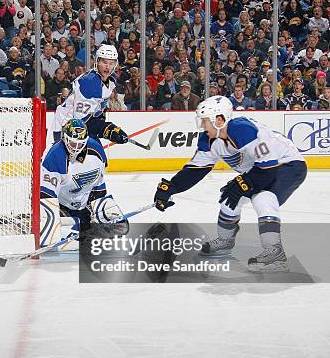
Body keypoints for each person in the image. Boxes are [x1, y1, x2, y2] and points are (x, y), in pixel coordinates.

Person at [153, 96, 307, 273]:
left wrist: (244, 183)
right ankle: (225, 241)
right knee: (229, 199)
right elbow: (195, 170)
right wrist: (171, 188)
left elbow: (268, 168)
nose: (202, 125)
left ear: (219, 120)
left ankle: (275, 252)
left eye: (205, 121)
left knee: (263, 199)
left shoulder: (242, 130)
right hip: (261, 169)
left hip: (287, 165)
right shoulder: (208, 140)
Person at [39, 119, 125, 249]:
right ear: (64, 138)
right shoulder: (54, 157)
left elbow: (98, 187)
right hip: (61, 206)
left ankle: (85, 224)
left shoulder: (97, 151)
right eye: (73, 143)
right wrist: (50, 224)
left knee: (119, 228)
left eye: (80, 144)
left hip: (83, 206)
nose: (76, 148)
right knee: (56, 236)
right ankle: (33, 222)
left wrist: (96, 213)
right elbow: (46, 196)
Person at [52, 45, 129, 144]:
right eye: (104, 62)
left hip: (81, 126)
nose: (107, 67)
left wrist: (105, 126)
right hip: (66, 127)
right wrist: (105, 129)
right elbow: (80, 120)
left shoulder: (111, 79)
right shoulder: (90, 83)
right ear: (97, 62)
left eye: (111, 63)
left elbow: (97, 111)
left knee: (99, 158)